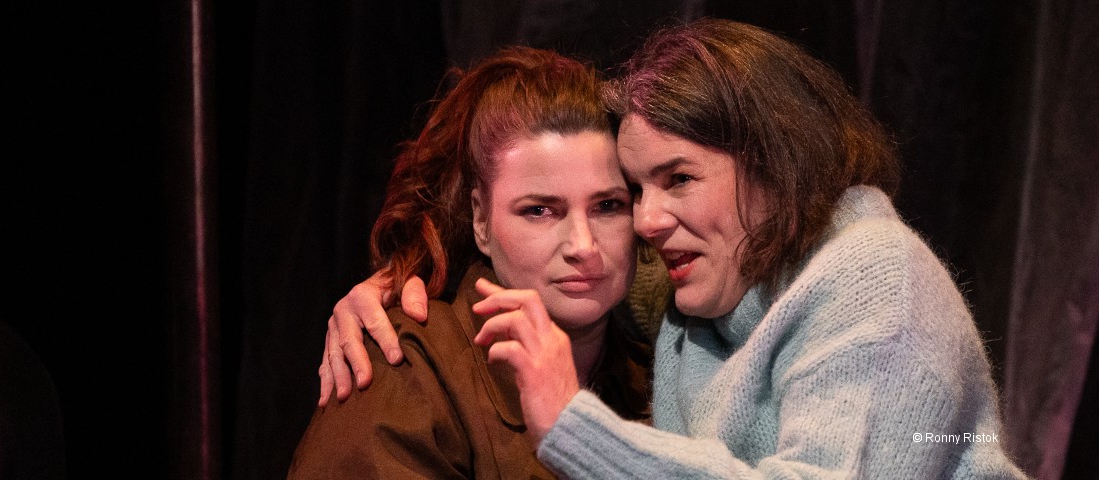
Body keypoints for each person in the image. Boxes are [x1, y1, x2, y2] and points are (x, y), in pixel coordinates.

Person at [321, 19, 1027, 478]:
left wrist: (574, 426)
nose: (646, 221)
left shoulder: (876, 283)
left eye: (677, 180)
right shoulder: (698, 289)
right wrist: (401, 275)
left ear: (777, 168)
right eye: (635, 190)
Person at [289, 46, 655, 479]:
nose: (583, 245)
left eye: (608, 205)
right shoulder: (406, 365)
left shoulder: (657, 375)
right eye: (539, 210)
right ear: (480, 220)